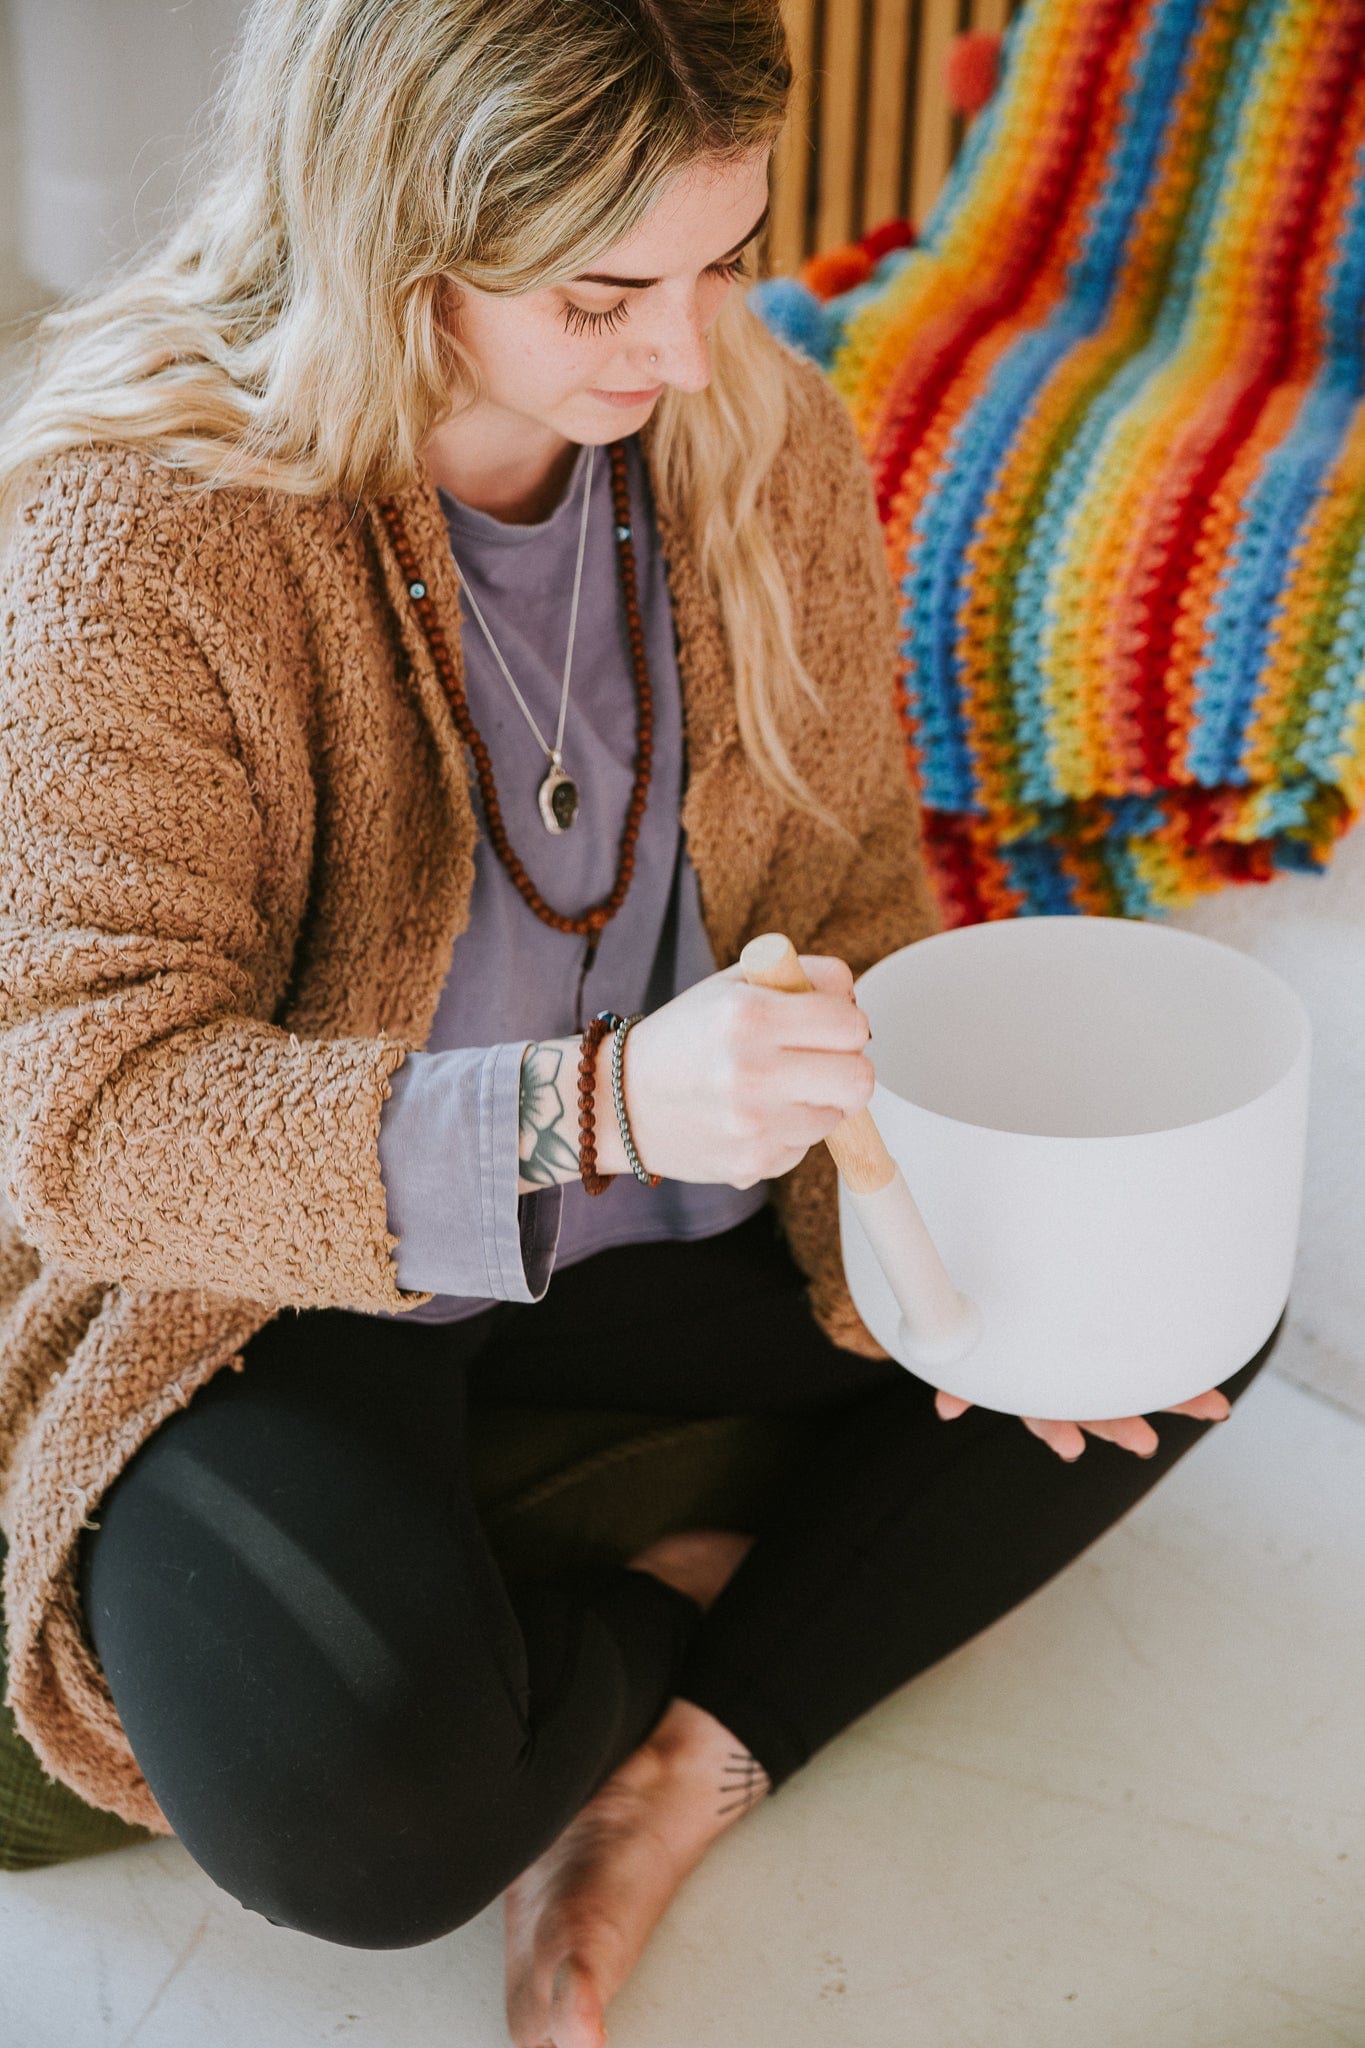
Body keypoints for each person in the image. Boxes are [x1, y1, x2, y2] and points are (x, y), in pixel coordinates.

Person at [0, 4, 1276, 2044]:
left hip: (685, 1221)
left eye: (718, 262)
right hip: (294, 1282)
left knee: (1176, 1307)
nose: (683, 353)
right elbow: (88, 1120)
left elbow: (853, 904)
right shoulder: (141, 527)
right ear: (395, 236)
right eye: (604, 291)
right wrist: (585, 1108)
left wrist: (937, 1262)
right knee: (364, 1834)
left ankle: (683, 1763)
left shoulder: (752, 445)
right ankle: (696, 1574)